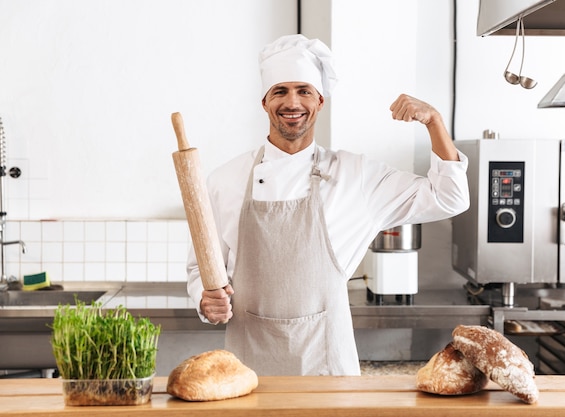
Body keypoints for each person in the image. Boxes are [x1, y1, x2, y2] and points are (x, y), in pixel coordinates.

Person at [187, 34, 469, 376]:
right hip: (248, 371)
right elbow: (200, 270)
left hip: (328, 369)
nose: (292, 102)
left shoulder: (356, 176)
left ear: (320, 101)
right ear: (264, 102)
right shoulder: (225, 180)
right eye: (280, 91)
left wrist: (434, 121)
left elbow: (449, 197)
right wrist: (206, 298)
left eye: (304, 91)